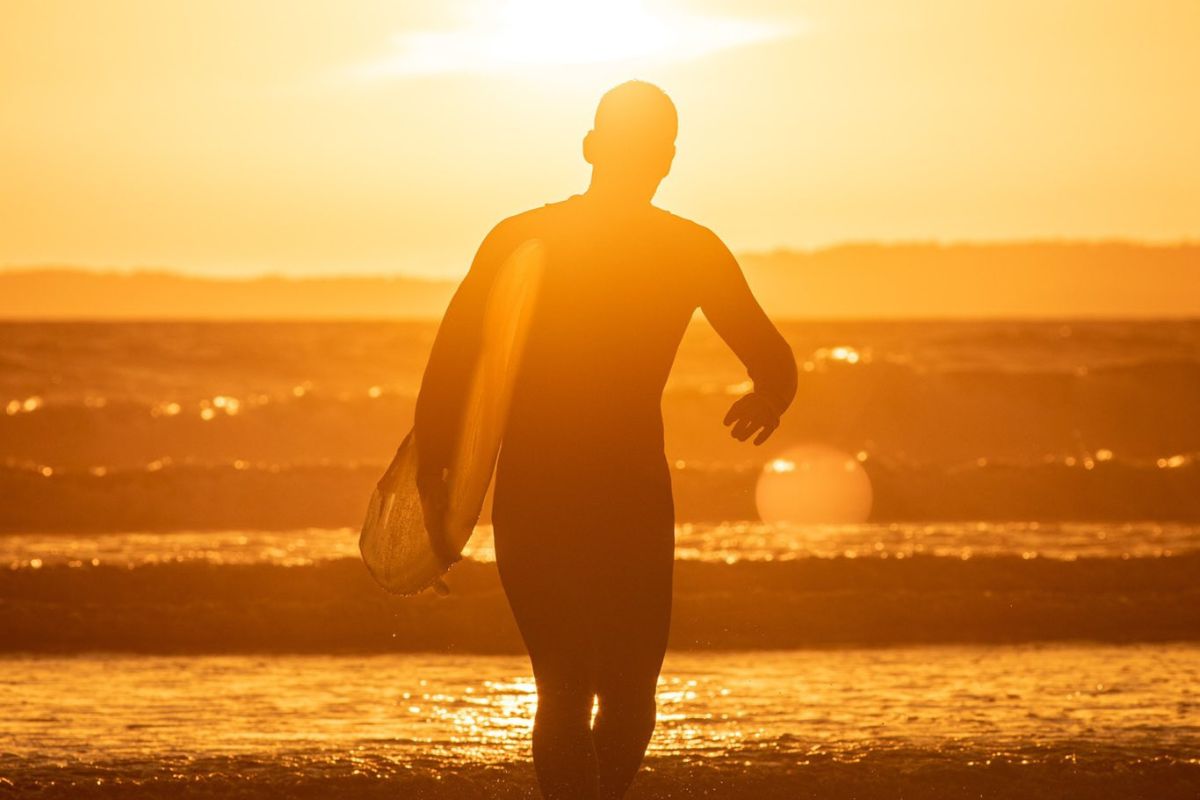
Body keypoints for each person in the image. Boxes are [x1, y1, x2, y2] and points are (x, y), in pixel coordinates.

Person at [413, 81, 797, 800]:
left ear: (592, 147)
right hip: (630, 494)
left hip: (538, 489)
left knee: (567, 687)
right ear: (669, 159)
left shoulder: (523, 235)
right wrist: (769, 398)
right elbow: (773, 359)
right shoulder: (689, 249)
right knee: (623, 693)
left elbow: (451, 361)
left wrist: (435, 473)